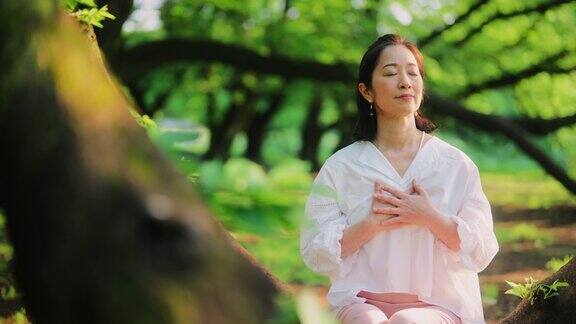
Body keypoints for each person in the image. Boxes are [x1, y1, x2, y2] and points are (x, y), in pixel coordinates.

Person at [300, 34, 499, 324]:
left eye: (413, 73)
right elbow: (314, 252)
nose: (405, 81)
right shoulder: (342, 166)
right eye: (391, 73)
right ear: (367, 91)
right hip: (359, 301)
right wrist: (369, 224)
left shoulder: (454, 165)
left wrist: (428, 215)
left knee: (408, 322)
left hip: (439, 305)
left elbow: (482, 249)